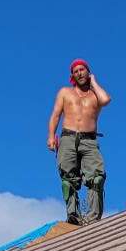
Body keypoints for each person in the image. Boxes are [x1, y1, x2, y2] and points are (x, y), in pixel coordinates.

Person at [47, 59, 110, 223]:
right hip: (68, 137)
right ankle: (73, 215)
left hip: (89, 140)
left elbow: (106, 100)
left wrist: (94, 82)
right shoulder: (65, 92)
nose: (79, 73)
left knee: (97, 177)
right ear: (72, 76)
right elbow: (55, 115)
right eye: (75, 71)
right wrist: (51, 136)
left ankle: (93, 216)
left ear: (88, 72)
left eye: (82, 70)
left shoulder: (95, 95)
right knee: (68, 179)